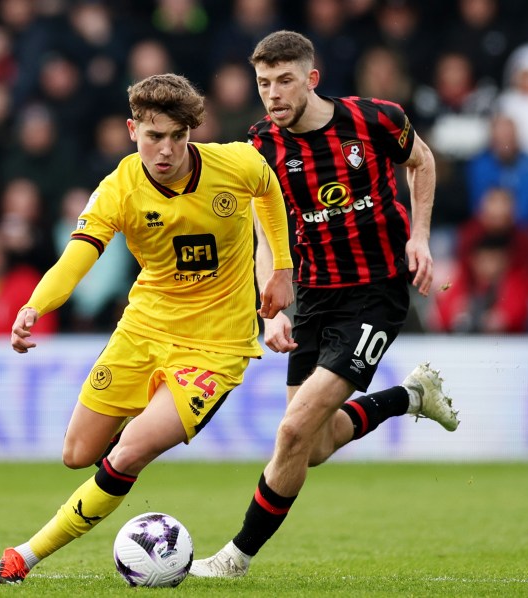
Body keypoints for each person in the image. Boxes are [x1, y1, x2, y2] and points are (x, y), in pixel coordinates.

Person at [0, 73, 295, 585]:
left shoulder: (236, 163)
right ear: (132, 130)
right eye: (153, 136)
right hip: (143, 330)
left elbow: (269, 189)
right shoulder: (119, 189)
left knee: (127, 453)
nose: (165, 149)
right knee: (77, 455)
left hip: (214, 348)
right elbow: (77, 257)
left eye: (176, 136)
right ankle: (135, 442)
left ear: (193, 131)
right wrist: (34, 306)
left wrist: (279, 266)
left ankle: (23, 557)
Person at [190, 30, 461, 578]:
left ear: (311, 79)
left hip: (375, 293)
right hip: (313, 295)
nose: (273, 94)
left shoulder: (375, 120)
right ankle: (410, 395)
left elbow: (423, 160)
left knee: (290, 433)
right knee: (313, 445)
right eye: (263, 83)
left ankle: (235, 558)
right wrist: (271, 298)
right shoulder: (261, 145)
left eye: (284, 81)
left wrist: (421, 238)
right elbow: (263, 229)